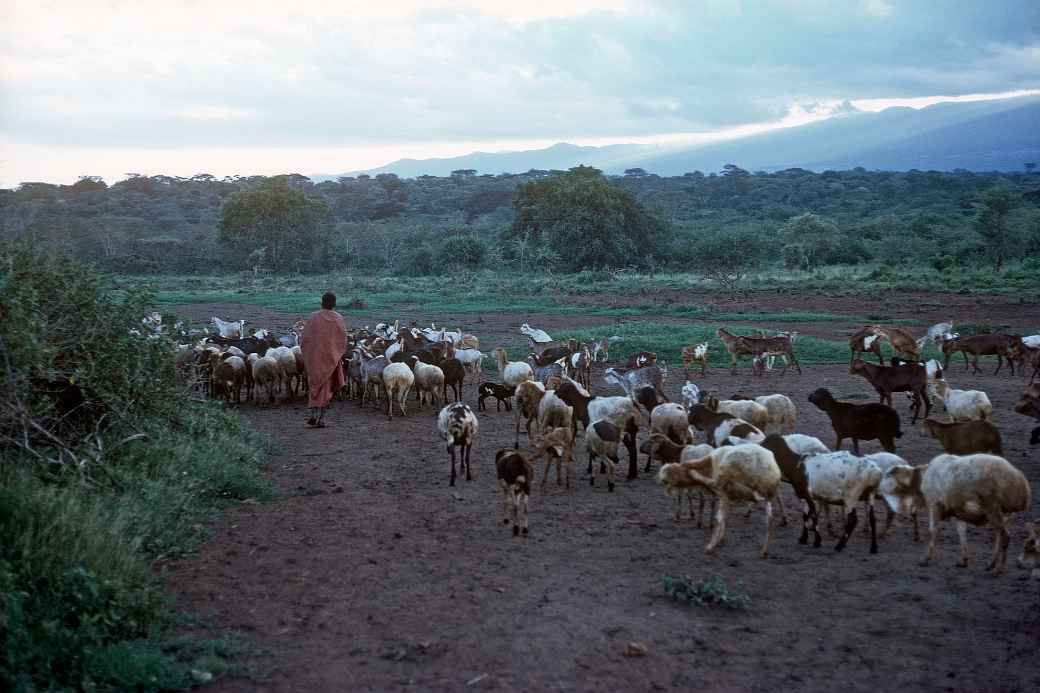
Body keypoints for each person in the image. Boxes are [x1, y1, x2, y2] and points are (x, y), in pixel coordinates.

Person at [300, 292, 348, 427]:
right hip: (331, 360)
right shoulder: (339, 318)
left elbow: (305, 339)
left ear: (322, 302)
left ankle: (313, 415)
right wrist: (336, 354)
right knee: (327, 389)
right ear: (334, 304)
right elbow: (343, 340)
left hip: (315, 360)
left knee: (314, 386)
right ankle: (321, 418)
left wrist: (309, 354)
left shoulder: (313, 317)